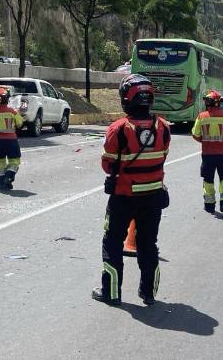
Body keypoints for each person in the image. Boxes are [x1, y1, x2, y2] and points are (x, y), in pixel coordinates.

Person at [92, 74, 171, 306]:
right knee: (148, 244)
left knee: (112, 242)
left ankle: (112, 293)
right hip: (153, 197)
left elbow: (108, 164)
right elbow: (162, 157)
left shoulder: (118, 129)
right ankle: (148, 293)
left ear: (126, 99)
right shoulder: (163, 127)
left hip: (123, 197)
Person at [191, 90, 223, 218]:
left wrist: (205, 141)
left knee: (208, 180)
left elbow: (195, 135)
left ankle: (209, 205)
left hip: (207, 155)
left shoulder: (202, 117)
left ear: (209, 102)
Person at [0, 86, 24, 192]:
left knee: (0, 163)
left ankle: (1, 185)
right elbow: (19, 123)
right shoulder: (12, 112)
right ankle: (8, 178)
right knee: (14, 161)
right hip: (10, 141)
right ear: (8, 99)